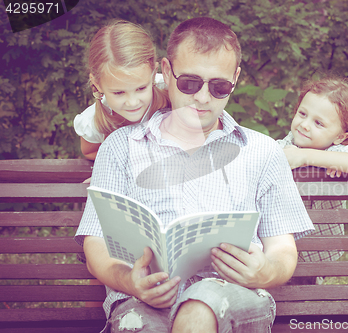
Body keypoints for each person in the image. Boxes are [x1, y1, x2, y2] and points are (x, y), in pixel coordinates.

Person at [75, 17, 314, 333]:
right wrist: (130, 282)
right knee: (140, 325)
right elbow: (97, 246)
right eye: (189, 83)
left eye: (219, 87)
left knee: (198, 311)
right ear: (166, 70)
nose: (203, 98)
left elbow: (282, 250)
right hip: (145, 297)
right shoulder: (120, 147)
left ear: (236, 79)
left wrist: (264, 271)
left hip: (231, 293)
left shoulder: (262, 151)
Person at [277, 77, 348, 285]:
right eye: (302, 114)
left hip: (315, 248)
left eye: (318, 123)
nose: (304, 125)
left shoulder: (338, 151)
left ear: (339, 136)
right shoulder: (285, 145)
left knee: (303, 288)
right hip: (281, 245)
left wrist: (307, 157)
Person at [73, 20, 169, 160]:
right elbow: (89, 152)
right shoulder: (93, 121)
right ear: (97, 83)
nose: (132, 102)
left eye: (141, 88)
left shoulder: (172, 91)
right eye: (119, 92)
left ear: (153, 73)